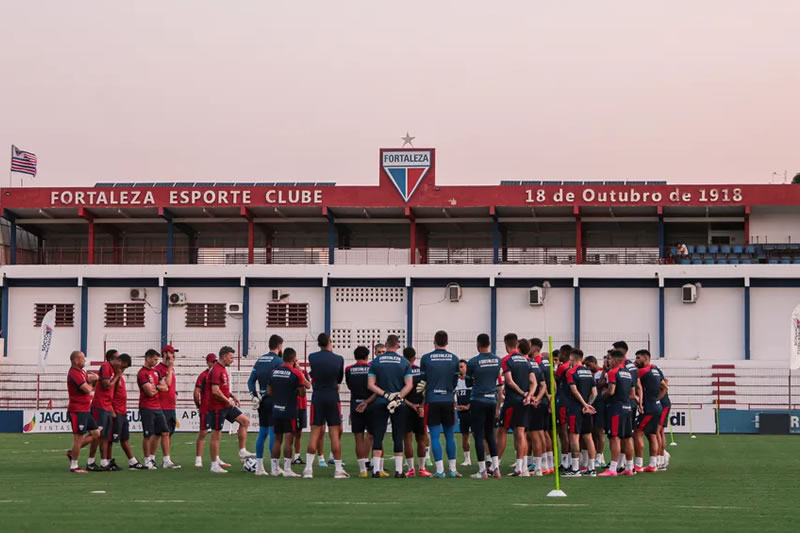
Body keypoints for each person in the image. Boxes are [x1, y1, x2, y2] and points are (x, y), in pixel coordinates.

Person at [367, 334, 413, 478]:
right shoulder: (404, 362)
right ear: (397, 345)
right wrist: (398, 397)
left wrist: (386, 394)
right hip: (399, 403)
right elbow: (409, 385)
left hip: (381, 401)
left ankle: (375, 470)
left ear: (386, 345)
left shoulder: (376, 361)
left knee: (378, 435)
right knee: (398, 435)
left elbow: (370, 385)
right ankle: (399, 470)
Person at [303, 333, 347, 479]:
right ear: (330, 342)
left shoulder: (312, 357)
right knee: (334, 434)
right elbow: (339, 378)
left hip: (318, 396)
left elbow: (313, 374)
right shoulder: (339, 359)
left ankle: (308, 469)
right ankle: (338, 470)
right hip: (332, 396)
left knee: (315, 432)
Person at [419, 330, 461, 478]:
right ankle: (453, 470)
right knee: (450, 435)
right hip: (448, 400)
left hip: (432, 400)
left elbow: (422, 381)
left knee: (435, 436)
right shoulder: (454, 359)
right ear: (447, 342)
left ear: (434, 341)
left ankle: (440, 471)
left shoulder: (426, 358)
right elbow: (455, 381)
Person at [206, 345, 253, 473]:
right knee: (216, 435)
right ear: (225, 356)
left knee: (245, 421)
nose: (232, 360)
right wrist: (228, 400)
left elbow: (223, 387)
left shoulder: (223, 369)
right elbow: (215, 391)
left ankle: (242, 451)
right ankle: (214, 464)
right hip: (217, 407)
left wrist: (232, 396)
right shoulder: (216, 370)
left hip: (226, 405)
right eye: (231, 357)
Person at [497, 333, 535, 477]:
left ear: (507, 345)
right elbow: (534, 382)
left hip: (512, 401)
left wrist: (522, 393)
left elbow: (510, 381)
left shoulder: (506, 359)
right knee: (521, 433)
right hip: (524, 402)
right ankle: (520, 467)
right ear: (517, 344)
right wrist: (529, 394)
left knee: (502, 430)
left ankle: (496, 463)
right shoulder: (527, 361)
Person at [465, 333, 502, 479]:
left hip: (478, 400)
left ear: (478, 344)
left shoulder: (473, 362)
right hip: (492, 400)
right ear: (489, 344)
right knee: (490, 435)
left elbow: (468, 383)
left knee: (479, 436)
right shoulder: (497, 360)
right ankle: (496, 469)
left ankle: (482, 471)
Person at [247, 335, 284, 476]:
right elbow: (278, 381)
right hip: (274, 400)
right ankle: (275, 467)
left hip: (261, 401)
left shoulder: (260, 360)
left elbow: (250, 381)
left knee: (262, 432)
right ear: (279, 346)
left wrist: (254, 395)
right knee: (273, 432)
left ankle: (259, 467)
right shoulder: (278, 361)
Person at [268, 347, 308, 477]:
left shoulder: (274, 371)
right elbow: (302, 393)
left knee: (277, 439)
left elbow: (269, 391)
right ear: (293, 359)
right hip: (289, 409)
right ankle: (287, 469)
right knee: (289, 439)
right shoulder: (296, 373)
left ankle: (274, 469)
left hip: (276, 408)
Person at [598, 350, 635, 476]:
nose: (608, 361)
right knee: (627, 437)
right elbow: (632, 394)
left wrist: (603, 395)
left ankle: (613, 469)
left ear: (616, 360)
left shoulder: (613, 372)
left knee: (615, 437)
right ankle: (629, 467)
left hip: (616, 408)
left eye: (610, 359)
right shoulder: (628, 373)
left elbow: (611, 391)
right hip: (628, 407)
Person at [564, 349, 597, 477]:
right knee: (588, 437)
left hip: (575, 408)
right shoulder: (589, 372)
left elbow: (574, 390)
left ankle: (575, 468)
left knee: (574, 437)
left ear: (572, 359)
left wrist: (583, 404)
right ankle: (592, 468)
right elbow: (594, 392)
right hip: (587, 409)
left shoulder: (571, 372)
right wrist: (589, 405)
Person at [65, 350, 100, 473]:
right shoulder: (74, 373)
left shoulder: (81, 372)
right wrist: (94, 382)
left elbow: (90, 386)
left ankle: (71, 452)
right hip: (77, 411)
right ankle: (74, 466)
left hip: (85, 410)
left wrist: (94, 381)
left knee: (96, 433)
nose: (84, 360)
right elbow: (86, 389)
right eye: (82, 358)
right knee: (78, 438)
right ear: (75, 360)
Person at [108, 353, 144, 470]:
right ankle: (108, 460)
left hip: (122, 412)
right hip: (116, 412)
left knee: (124, 438)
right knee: (110, 438)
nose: (122, 369)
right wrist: (112, 410)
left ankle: (132, 461)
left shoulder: (119, 376)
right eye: (122, 367)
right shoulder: (112, 376)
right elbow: (109, 395)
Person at [194, 353, 230, 469]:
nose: (214, 363)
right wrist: (199, 405)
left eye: (215, 361)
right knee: (203, 432)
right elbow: (196, 392)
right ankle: (198, 458)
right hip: (206, 407)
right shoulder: (203, 375)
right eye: (212, 362)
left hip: (215, 407)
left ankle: (216, 457)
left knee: (217, 432)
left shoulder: (217, 372)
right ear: (208, 362)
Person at [87, 349, 120, 471]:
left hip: (106, 406)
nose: (119, 360)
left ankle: (103, 461)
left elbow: (114, 390)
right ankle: (90, 461)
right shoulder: (106, 366)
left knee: (105, 436)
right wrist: (117, 375)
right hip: (100, 406)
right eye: (117, 357)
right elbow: (107, 385)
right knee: (96, 434)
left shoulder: (113, 369)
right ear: (111, 359)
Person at [346, 345, 376, 477]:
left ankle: (362, 470)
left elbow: (349, 386)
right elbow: (375, 388)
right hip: (370, 404)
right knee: (371, 435)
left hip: (355, 404)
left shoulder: (349, 369)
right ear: (366, 357)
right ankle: (373, 464)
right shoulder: (372, 369)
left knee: (358, 437)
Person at [402, 347, 432, 477]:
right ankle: (422, 468)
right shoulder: (421, 372)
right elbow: (427, 391)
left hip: (405, 408)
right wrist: (421, 406)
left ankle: (410, 469)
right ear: (415, 358)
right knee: (421, 438)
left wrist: (410, 405)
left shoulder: (401, 372)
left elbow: (400, 393)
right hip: (420, 409)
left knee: (407, 439)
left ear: (403, 358)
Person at [137, 349, 169, 470]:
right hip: (147, 407)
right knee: (148, 435)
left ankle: (165, 460)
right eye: (154, 359)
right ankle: (147, 460)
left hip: (157, 407)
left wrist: (155, 387)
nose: (156, 362)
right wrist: (157, 388)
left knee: (164, 432)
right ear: (148, 358)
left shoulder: (156, 372)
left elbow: (165, 387)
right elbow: (149, 392)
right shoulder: (142, 373)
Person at [634, 349, 665, 473]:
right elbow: (665, 386)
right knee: (652, 435)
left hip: (648, 408)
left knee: (637, 433)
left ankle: (638, 464)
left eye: (638, 358)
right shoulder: (656, 369)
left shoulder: (642, 371)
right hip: (657, 406)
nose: (636, 361)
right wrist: (657, 399)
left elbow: (637, 386)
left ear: (646, 359)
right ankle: (653, 464)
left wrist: (641, 402)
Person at [614, 340, 642, 473]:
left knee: (618, 436)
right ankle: (626, 465)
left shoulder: (622, 366)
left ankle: (619, 465)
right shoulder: (632, 366)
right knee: (627, 435)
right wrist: (639, 401)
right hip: (631, 403)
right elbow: (638, 385)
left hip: (621, 402)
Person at [521, 339, 547, 476]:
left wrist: (531, 397)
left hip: (527, 403)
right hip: (538, 402)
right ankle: (539, 467)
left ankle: (523, 467)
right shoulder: (536, 365)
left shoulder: (522, 364)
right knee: (537, 434)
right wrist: (538, 398)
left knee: (525, 435)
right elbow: (543, 385)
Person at [531, 339, 555, 474]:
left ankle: (542, 465)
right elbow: (553, 384)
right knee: (545, 432)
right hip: (546, 401)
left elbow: (542, 383)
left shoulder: (537, 362)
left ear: (534, 348)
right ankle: (549, 464)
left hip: (539, 400)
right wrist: (551, 398)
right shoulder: (548, 362)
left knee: (538, 433)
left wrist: (543, 396)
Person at [153, 345, 179, 469]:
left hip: (170, 405)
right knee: (162, 433)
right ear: (165, 354)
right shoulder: (160, 369)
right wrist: (169, 367)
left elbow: (172, 385)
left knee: (167, 433)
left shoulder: (170, 369)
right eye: (171, 353)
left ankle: (158, 458)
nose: (173, 356)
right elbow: (167, 384)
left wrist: (175, 394)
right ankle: (163, 459)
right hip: (162, 405)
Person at [585, 354, 608, 467]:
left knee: (599, 431)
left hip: (600, 404)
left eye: (589, 365)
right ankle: (595, 457)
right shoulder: (588, 373)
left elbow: (603, 386)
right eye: (586, 365)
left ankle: (600, 456)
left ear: (594, 362)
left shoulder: (602, 373)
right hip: (590, 403)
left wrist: (603, 372)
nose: (588, 367)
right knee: (592, 431)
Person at [554, 345, 573, 472]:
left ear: (565, 354)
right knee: (569, 431)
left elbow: (554, 380)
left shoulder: (563, 367)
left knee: (563, 431)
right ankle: (570, 461)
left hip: (563, 401)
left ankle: (566, 462)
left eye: (560, 353)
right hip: (570, 402)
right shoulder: (573, 366)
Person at [292, 358, 310, 466]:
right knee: (290, 432)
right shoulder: (289, 372)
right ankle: (288, 458)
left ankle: (297, 456)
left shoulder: (303, 372)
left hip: (302, 405)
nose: (296, 363)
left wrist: (300, 373)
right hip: (292, 405)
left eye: (297, 361)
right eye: (294, 361)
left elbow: (308, 385)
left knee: (299, 432)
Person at [455, 359, 472, 467]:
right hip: (461, 412)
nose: (460, 369)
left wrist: (469, 406)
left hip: (472, 411)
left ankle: (486, 458)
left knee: (478, 435)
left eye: (461, 366)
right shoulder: (455, 381)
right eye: (458, 367)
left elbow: (475, 396)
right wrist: (456, 406)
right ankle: (467, 459)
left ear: (466, 368)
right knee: (464, 435)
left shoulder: (471, 381)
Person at [655, 367, 672, 470]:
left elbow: (665, 384)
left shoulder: (653, 371)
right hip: (662, 404)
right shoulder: (655, 371)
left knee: (657, 431)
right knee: (659, 431)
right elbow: (666, 380)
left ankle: (661, 459)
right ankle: (663, 456)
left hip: (662, 404)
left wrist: (657, 399)